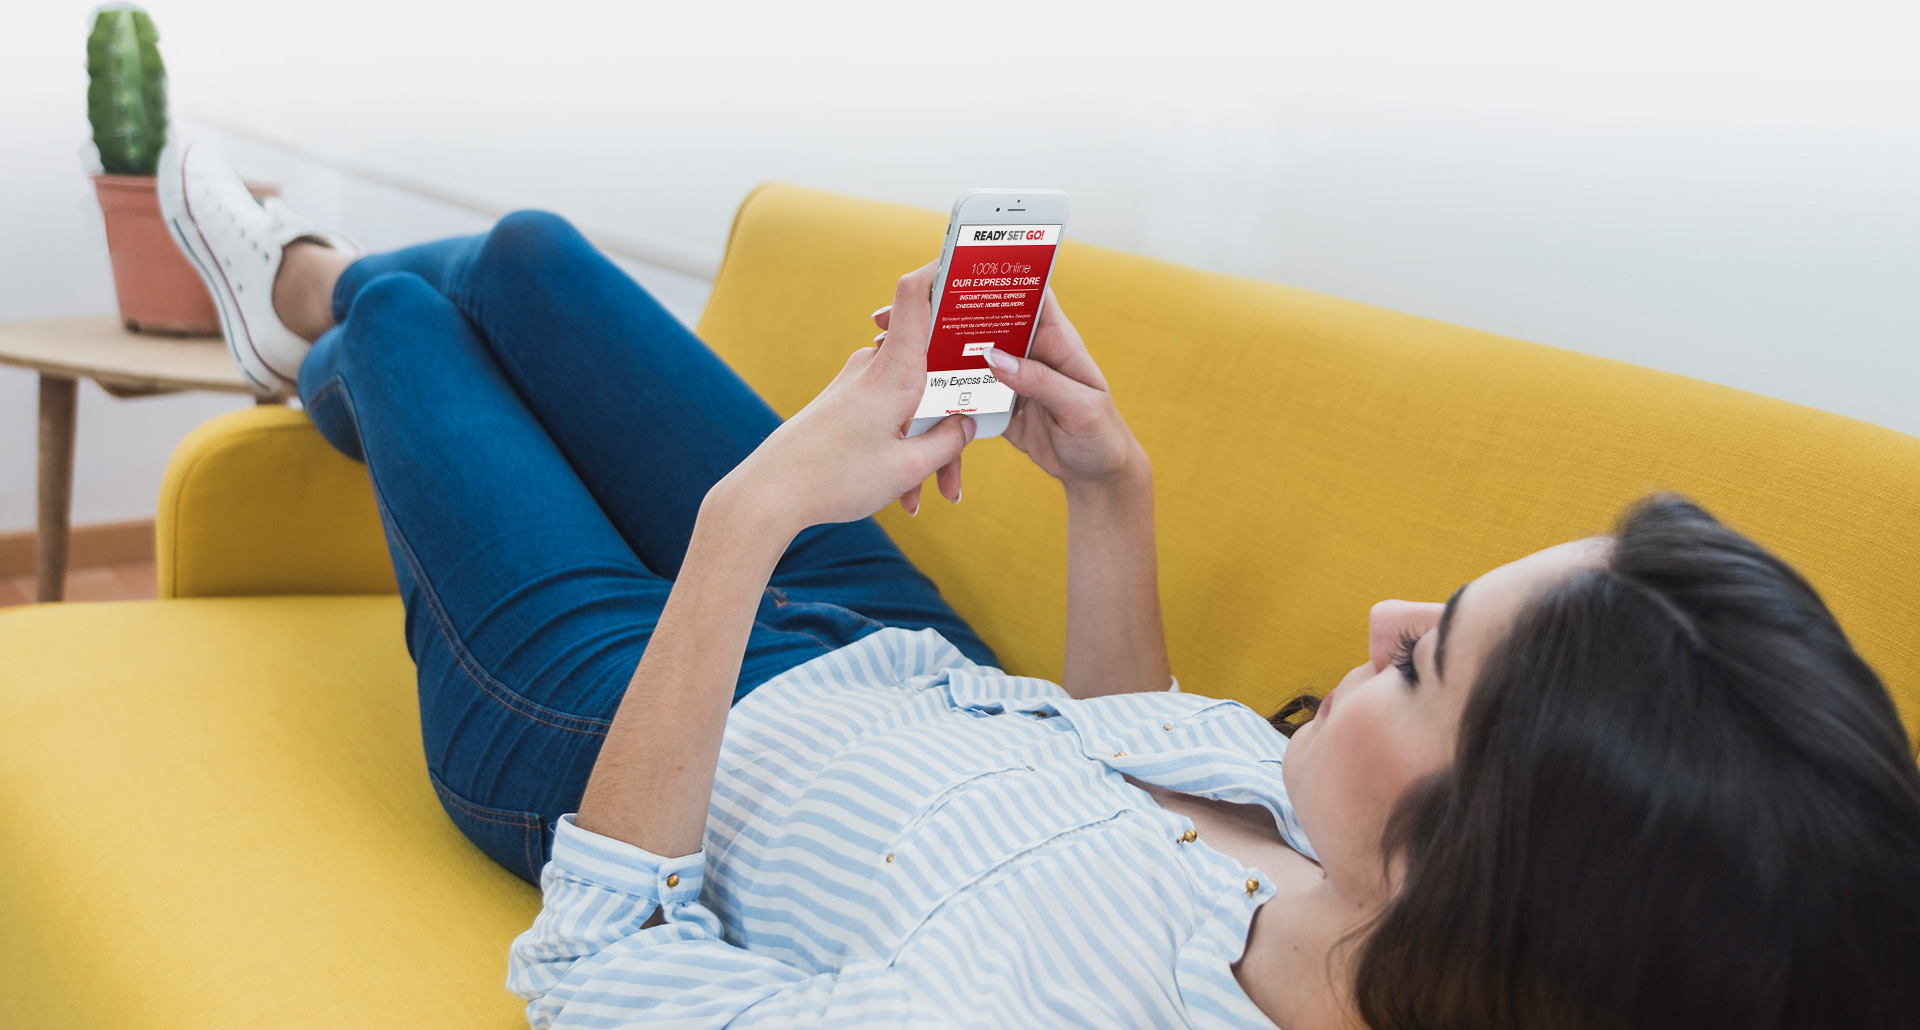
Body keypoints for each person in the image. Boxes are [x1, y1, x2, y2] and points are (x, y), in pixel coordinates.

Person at [160, 142, 1920, 1030]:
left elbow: (599, 974)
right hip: (901, 647)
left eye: (1428, 663)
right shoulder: (1349, 875)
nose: (1383, 621)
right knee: (531, 264)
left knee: (408, 309)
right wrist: (1110, 493)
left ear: (1494, 883)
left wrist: (752, 513)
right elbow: (1104, 762)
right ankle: (343, 378)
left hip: (624, 717)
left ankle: (314, 314)